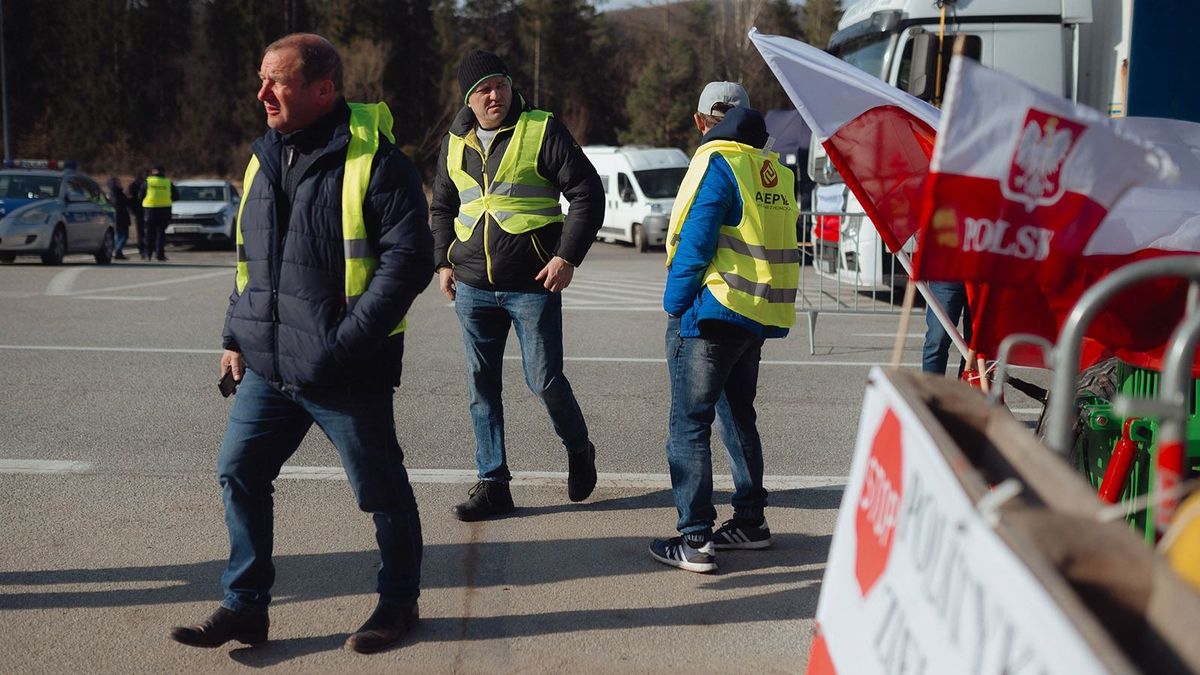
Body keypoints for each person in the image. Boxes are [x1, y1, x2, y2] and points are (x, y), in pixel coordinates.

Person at [168, 33, 432, 655]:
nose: (262, 93)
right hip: (268, 366)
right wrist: (234, 336)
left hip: (346, 370)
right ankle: (245, 605)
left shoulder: (378, 162)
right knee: (239, 471)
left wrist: (343, 345)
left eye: (278, 82)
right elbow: (250, 263)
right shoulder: (262, 157)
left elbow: (409, 261)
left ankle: (398, 603)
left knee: (380, 492)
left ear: (322, 89)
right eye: (261, 80)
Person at [430, 49, 604, 521]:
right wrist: (442, 261)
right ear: (469, 98)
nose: (495, 95)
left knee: (544, 380)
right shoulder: (454, 141)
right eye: (484, 89)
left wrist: (567, 256)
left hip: (532, 284)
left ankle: (578, 447)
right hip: (471, 285)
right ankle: (493, 483)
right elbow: (443, 205)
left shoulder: (541, 129)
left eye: (501, 85)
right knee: (481, 386)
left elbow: (587, 192)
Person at [651, 82, 800, 573]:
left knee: (688, 424)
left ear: (701, 122)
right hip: (753, 314)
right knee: (738, 417)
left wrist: (674, 305)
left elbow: (696, 241)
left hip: (710, 312)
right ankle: (751, 522)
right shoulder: (773, 168)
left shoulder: (716, 161)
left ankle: (695, 538)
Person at [922, 281, 972, 376]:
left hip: (982, 279)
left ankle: (967, 384)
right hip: (946, 278)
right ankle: (931, 385)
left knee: (975, 346)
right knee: (937, 339)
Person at [138, 164, 178, 261]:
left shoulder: (148, 182)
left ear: (153, 171)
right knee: (161, 233)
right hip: (164, 210)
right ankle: (160, 255)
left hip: (150, 210)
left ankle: (147, 254)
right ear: (163, 172)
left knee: (148, 233)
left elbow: (140, 196)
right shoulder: (168, 182)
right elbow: (176, 196)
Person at [105, 176, 130, 260]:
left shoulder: (116, 193)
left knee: (120, 235)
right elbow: (118, 204)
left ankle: (118, 251)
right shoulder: (115, 193)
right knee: (123, 235)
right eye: (118, 182)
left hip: (120, 216)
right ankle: (117, 250)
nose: (120, 184)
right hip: (119, 217)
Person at [127, 170, 147, 259]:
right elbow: (130, 199)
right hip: (145, 210)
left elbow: (129, 199)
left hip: (139, 211)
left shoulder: (132, 185)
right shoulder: (144, 185)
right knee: (145, 232)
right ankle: (144, 248)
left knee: (140, 232)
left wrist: (132, 211)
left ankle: (141, 248)